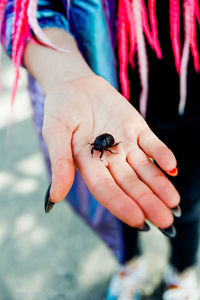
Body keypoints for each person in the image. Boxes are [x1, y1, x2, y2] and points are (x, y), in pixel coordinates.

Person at [1, 0, 200, 299]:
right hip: (106, 76)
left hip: (189, 80)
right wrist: (65, 74)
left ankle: (183, 268)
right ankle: (129, 264)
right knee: (119, 192)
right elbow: (21, 6)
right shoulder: (101, 143)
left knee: (186, 193)